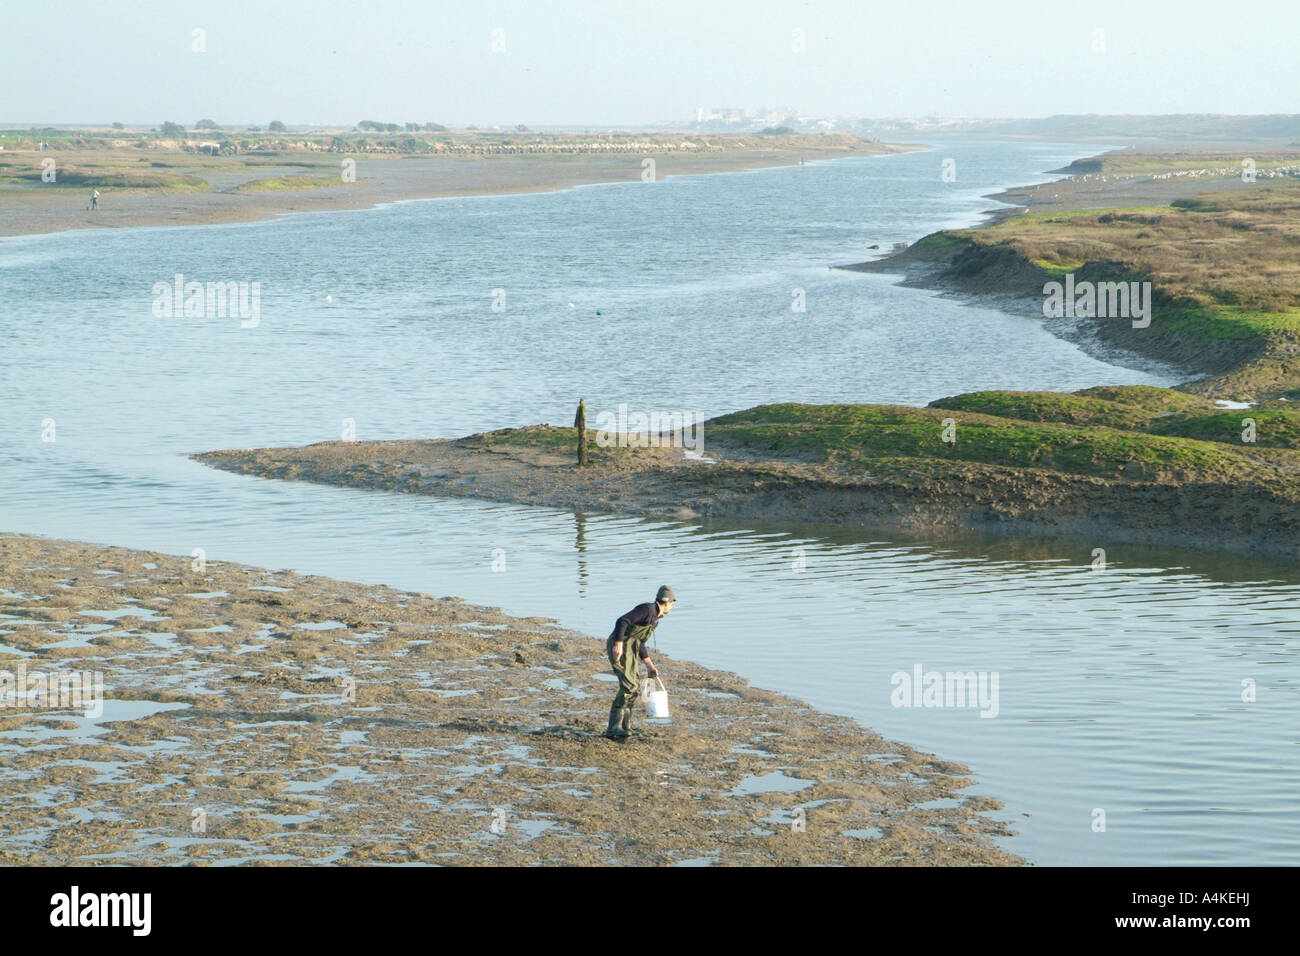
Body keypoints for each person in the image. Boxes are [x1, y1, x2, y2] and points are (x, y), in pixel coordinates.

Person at [604, 585, 675, 739]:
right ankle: (613, 727)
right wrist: (618, 644)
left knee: (635, 685)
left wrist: (649, 665)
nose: (672, 607)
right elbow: (622, 621)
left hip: (631, 649)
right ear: (667, 602)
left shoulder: (655, 619)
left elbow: (640, 642)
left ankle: (626, 726)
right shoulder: (647, 610)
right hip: (621, 647)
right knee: (628, 685)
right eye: (672, 603)